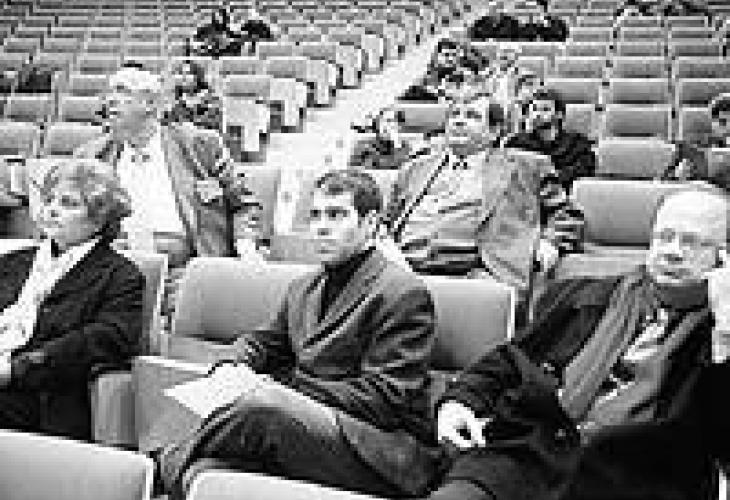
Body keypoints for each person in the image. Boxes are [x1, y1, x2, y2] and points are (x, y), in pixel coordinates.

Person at [425, 185, 730, 500]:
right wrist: (458, 402)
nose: (672, 251)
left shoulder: (718, 334)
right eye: (664, 237)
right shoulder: (583, 296)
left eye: (692, 242)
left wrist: (725, 331)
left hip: (633, 480)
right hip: (527, 460)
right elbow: (510, 360)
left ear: (724, 257)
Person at [156, 170, 441, 499]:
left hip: (378, 449)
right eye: (315, 215)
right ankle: (168, 466)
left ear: (370, 223)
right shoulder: (304, 287)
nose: (321, 227)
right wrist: (234, 365)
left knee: (265, 407)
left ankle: (157, 466)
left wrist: (285, 391)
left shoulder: (402, 293)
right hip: (308, 431)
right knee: (200, 471)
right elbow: (262, 342)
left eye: (336, 215)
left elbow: (385, 398)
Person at [384, 92, 583, 322]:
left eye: (471, 116)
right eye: (454, 115)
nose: (459, 121)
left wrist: (548, 246)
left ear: (494, 131)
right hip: (402, 268)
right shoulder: (415, 168)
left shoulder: (527, 166)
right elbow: (386, 221)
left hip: (477, 271)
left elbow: (567, 215)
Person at [0, 159, 144, 441]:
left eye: (68, 204)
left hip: (43, 396)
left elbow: (104, 339)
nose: (52, 210)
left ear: (99, 218)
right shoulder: (13, 261)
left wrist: (14, 369)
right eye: (49, 200)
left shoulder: (121, 275)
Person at [75, 64, 261, 266]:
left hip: (187, 265)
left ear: (150, 103)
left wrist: (246, 249)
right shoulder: (92, 156)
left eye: (122, 91)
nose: (110, 100)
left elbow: (244, 204)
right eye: (110, 92)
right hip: (115, 264)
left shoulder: (200, 145)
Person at [505, 88, 596, 191]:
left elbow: (584, 171)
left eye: (545, 109)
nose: (537, 114)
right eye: (534, 109)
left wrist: (554, 177)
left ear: (559, 114)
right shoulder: (516, 142)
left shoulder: (577, 143)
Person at [664, 93, 730, 190]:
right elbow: (664, 181)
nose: (728, 128)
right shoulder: (691, 147)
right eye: (723, 122)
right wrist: (677, 175)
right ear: (712, 123)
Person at [349, 107, 424, 170]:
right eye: (382, 121)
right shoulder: (363, 146)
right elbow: (352, 171)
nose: (385, 125)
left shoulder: (408, 150)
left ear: (399, 125)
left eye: (390, 121)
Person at [163, 59, 223, 133]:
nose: (183, 77)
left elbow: (216, 125)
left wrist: (191, 127)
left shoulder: (211, 99)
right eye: (181, 73)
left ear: (197, 76)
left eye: (188, 73)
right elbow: (167, 123)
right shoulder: (177, 102)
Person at [468, 0, 567, 42]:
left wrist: (544, 25)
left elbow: (562, 40)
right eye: (493, 8)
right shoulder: (479, 24)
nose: (496, 11)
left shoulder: (559, 24)